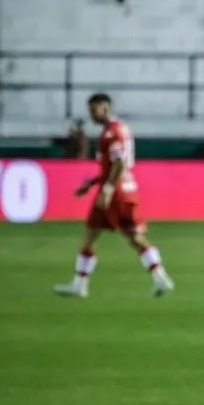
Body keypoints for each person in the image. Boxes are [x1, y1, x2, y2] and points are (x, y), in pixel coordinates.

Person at [54, 93, 174, 298]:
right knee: (92, 234)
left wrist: (107, 189)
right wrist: (92, 183)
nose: (91, 115)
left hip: (116, 194)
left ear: (105, 108)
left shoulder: (112, 133)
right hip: (119, 189)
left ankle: (161, 277)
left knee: (133, 237)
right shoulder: (119, 129)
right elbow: (113, 165)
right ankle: (80, 284)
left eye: (94, 110)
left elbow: (119, 164)